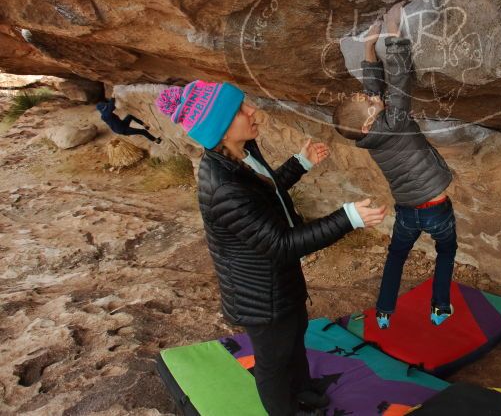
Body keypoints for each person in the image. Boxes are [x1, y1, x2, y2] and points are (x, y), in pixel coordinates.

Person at [155, 81, 386, 416]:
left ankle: (304, 393)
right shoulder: (223, 187)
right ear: (219, 129)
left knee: (295, 340)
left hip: (277, 281)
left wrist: (299, 163)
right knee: (274, 362)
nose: (252, 111)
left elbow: (266, 192)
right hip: (260, 297)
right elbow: (280, 245)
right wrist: (349, 217)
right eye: (239, 111)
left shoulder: (241, 154)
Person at [332, 2, 457, 330]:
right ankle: (440, 307)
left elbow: (374, 92)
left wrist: (369, 49)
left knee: (396, 256)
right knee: (446, 250)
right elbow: (400, 82)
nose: (374, 99)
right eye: (372, 105)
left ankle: (385, 311)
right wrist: (394, 36)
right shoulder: (396, 121)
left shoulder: (370, 135)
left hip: (407, 209)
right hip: (433, 205)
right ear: (369, 124)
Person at [96, 98, 162, 143]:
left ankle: (144, 125)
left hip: (122, 124)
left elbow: (112, 107)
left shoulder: (105, 115)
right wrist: (113, 97)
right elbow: (111, 106)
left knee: (129, 116)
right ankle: (156, 140)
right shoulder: (106, 115)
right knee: (143, 132)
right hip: (123, 130)